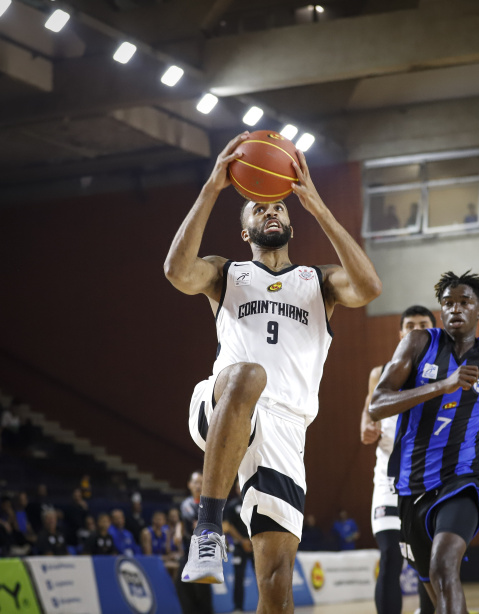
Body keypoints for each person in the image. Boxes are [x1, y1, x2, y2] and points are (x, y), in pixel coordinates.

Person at [164, 131, 381, 610]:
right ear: (246, 232)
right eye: (259, 210)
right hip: (224, 401)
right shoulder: (228, 273)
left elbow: (368, 286)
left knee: (277, 585)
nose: (271, 212)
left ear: (291, 221)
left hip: (287, 430)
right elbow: (177, 272)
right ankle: (208, 530)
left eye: (279, 208)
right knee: (249, 375)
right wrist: (211, 189)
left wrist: (318, 206)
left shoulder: (318, 283)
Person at [369, 271, 479, 614]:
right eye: (448, 303)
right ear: (440, 310)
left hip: (464, 478)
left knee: (444, 567)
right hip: (412, 485)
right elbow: (376, 405)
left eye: (465, 302)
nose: (455, 309)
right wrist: (442, 385)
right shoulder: (418, 343)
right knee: (439, 590)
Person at [360, 305, 436, 614]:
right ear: (400, 332)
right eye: (410, 324)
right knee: (390, 555)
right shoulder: (381, 372)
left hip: (428, 476)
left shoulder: (444, 370)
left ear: (434, 329)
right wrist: (366, 425)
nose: (416, 328)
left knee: (426, 559)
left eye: (423, 323)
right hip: (389, 478)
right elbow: (369, 406)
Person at [176, 471, 212, 614]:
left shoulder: (208, 504)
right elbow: (181, 522)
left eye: (201, 483)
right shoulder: (185, 504)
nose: (199, 485)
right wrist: (178, 532)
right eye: (196, 482)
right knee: (182, 585)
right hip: (187, 552)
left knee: (202, 590)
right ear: (189, 485)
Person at [223, 481, 254, 612]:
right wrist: (242, 541)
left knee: (262, 576)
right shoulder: (231, 506)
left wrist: (253, 541)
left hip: (255, 546)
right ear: (235, 489)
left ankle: (266, 605)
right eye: (238, 487)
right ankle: (238, 607)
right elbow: (226, 526)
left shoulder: (255, 504)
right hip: (239, 547)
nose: (240, 489)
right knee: (239, 577)